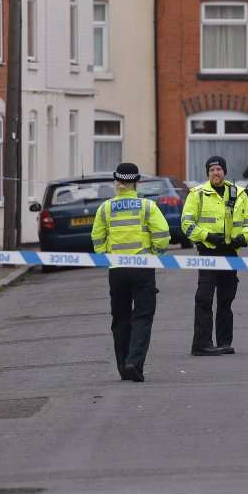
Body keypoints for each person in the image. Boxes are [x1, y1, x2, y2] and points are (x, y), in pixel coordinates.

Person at [91, 162, 171, 382]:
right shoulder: (147, 207)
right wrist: (156, 252)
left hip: (116, 270)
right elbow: (162, 234)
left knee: (120, 318)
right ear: (137, 182)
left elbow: (97, 239)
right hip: (142, 268)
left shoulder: (105, 208)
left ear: (117, 183)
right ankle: (134, 362)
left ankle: (123, 366)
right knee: (143, 316)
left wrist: (106, 255)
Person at [181, 156, 248, 356]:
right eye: (212, 170)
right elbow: (187, 224)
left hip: (231, 252)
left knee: (226, 300)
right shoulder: (197, 194)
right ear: (207, 173)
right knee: (204, 298)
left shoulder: (238, 193)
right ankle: (201, 344)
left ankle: (224, 342)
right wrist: (207, 236)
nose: (216, 173)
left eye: (219, 169)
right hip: (208, 251)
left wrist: (243, 238)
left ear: (225, 172)